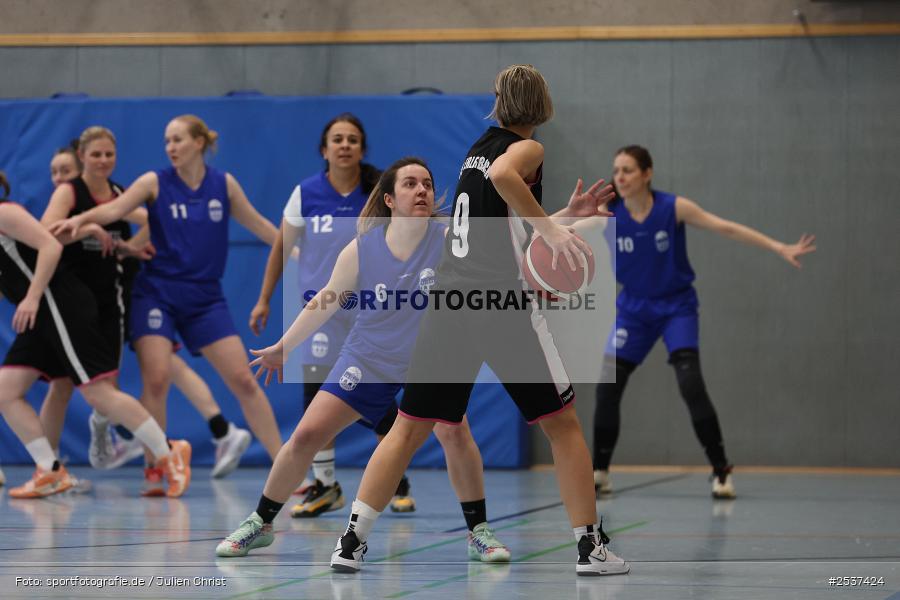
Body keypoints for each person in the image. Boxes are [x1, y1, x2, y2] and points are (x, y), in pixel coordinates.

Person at [329, 65, 629, 577]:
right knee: (562, 424)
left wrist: (564, 216)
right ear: (542, 104)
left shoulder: (478, 146)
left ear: (499, 102)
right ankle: (590, 549)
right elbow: (506, 180)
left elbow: (501, 225)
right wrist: (554, 235)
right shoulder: (526, 149)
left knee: (406, 429)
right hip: (499, 304)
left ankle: (351, 541)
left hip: (451, 301)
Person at [217, 158, 510, 564]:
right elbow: (325, 300)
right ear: (390, 199)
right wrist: (285, 345)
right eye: (411, 184)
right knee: (305, 436)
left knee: (455, 435)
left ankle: (479, 531)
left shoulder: (448, 238)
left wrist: (566, 221)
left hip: (431, 361)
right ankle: (262, 522)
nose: (422, 190)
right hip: (369, 359)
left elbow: (513, 234)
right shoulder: (362, 248)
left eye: (427, 183)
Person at [51, 115, 281, 494]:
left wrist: (301, 252)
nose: (170, 147)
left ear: (199, 143)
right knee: (156, 381)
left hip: (206, 297)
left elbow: (261, 226)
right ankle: (156, 468)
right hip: (155, 293)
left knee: (243, 379)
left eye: (177, 140)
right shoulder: (154, 182)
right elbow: (112, 211)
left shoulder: (223, 185)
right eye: (166, 141)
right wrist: (76, 223)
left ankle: (285, 467)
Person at [593, 145, 817, 499]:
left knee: (691, 384)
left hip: (676, 308)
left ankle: (720, 470)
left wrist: (777, 247)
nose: (619, 177)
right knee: (608, 386)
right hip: (633, 309)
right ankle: (600, 472)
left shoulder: (673, 208)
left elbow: (725, 228)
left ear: (647, 173)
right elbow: (566, 230)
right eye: (616, 170)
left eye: (628, 170)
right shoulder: (607, 213)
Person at [250, 113, 415, 516]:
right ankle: (325, 486)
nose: (345, 145)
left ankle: (395, 475)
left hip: (368, 313)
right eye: (337, 139)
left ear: (362, 150)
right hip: (321, 311)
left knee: (369, 400)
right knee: (317, 398)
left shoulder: (378, 195)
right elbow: (280, 246)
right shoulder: (306, 193)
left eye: (353, 140)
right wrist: (264, 298)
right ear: (324, 150)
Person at [0, 171, 191, 498]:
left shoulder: (5, 212)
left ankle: (168, 450)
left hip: (58, 302)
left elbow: (49, 245)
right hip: (43, 313)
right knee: (6, 390)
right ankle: (50, 470)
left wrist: (31, 297)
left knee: (97, 393)